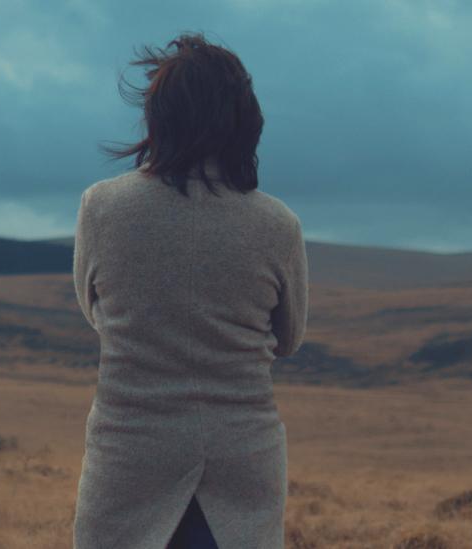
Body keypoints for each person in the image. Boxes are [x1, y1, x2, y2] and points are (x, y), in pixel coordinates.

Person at [72, 31, 309, 548]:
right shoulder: (277, 224)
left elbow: (95, 313)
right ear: (244, 121)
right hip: (241, 452)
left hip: (130, 449)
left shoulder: (102, 207)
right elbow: (288, 339)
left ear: (158, 117)